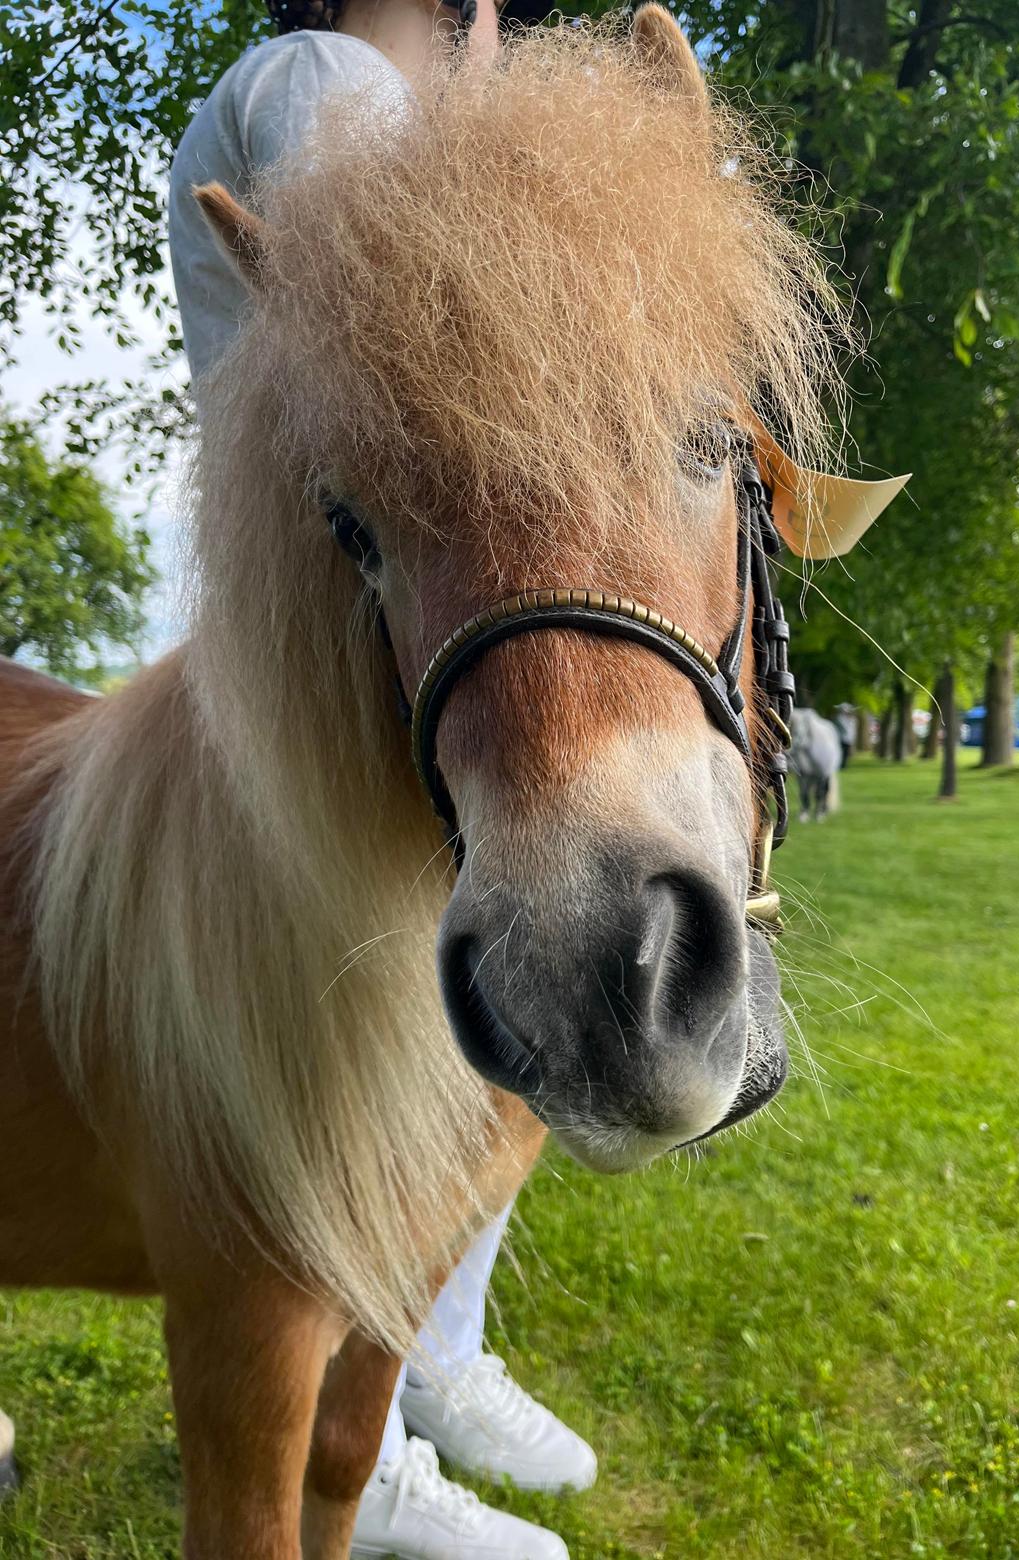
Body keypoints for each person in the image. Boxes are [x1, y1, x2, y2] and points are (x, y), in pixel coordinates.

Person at [168, 4, 595, 1556]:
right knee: (372, 1064)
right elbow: (403, 311)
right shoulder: (327, 77)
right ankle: (380, 1423)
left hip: (357, 610)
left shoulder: (317, 84)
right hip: (340, 623)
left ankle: (427, 1371)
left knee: (464, 1040)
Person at [833, 703, 857, 768]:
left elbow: (851, 729)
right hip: (841, 738)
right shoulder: (839, 718)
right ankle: (841, 765)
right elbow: (845, 728)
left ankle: (843, 765)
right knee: (841, 753)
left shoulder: (850, 719)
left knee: (845, 753)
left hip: (847, 739)